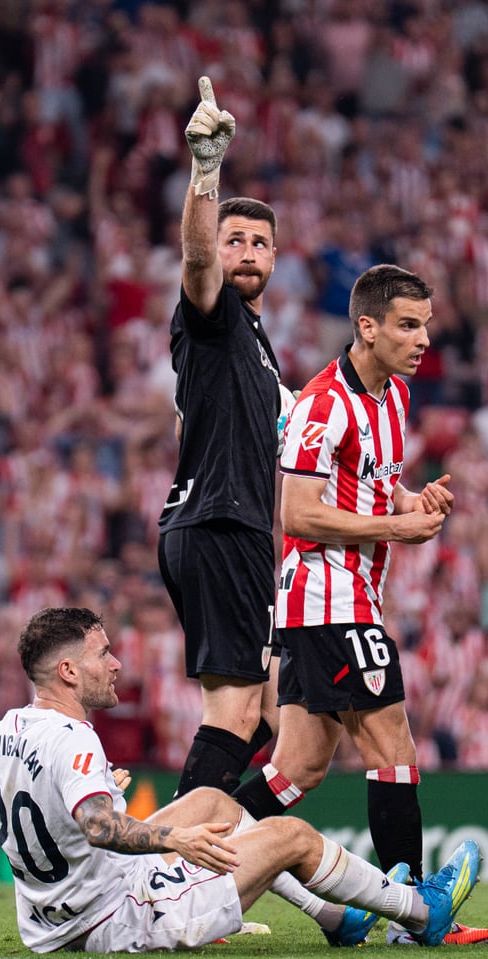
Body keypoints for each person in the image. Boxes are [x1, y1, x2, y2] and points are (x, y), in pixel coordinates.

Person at [232, 264, 488, 947]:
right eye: (408, 325)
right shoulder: (324, 404)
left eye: (426, 325)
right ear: (367, 327)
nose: (423, 339)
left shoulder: (392, 395)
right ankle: (414, 912)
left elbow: (375, 487)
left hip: (342, 599)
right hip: (329, 597)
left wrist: (412, 501)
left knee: (296, 770)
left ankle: (191, 860)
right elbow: (297, 513)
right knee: (393, 747)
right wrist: (395, 527)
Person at [0, 606, 481, 954]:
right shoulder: (74, 739)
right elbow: (96, 826)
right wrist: (177, 839)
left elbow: (45, 805)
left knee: (212, 801)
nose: (115, 664)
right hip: (116, 918)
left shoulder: (8, 729)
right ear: (68, 671)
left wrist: (101, 788)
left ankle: (336, 917)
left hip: (53, 918)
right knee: (291, 835)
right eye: (103, 654)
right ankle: (421, 911)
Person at [157, 78, 292, 798]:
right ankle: (170, 860)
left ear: (275, 259)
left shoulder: (262, 354)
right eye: (234, 238)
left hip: (229, 530)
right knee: (236, 714)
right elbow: (196, 259)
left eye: (259, 242)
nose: (246, 250)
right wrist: (205, 172)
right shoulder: (214, 316)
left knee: (277, 719)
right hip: (220, 523)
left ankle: (229, 852)